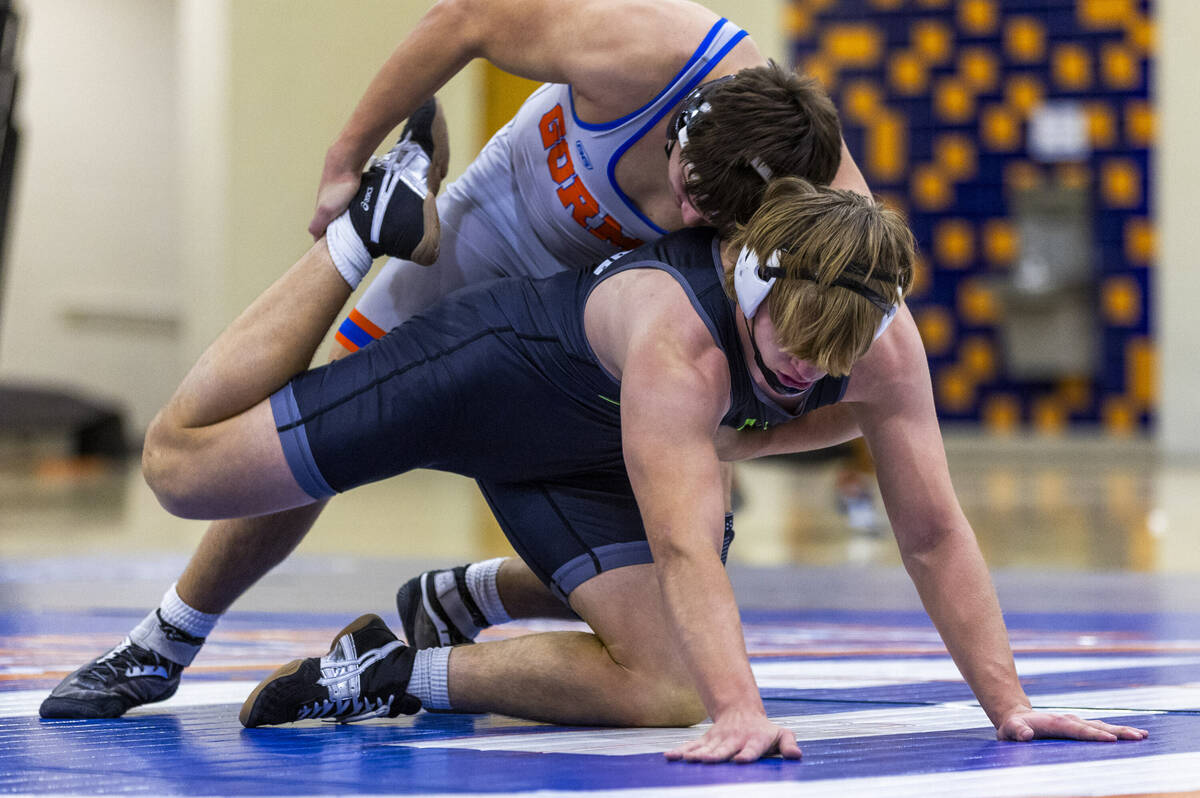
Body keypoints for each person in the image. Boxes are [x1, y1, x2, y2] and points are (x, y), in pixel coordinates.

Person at [138, 138, 1148, 762]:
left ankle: (397, 672)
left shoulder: (877, 337)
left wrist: (1010, 704)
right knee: (184, 473)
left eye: (823, 366)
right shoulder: (681, 340)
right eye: (784, 356)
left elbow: (930, 532)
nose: (800, 378)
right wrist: (744, 712)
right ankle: (355, 240)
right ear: (754, 286)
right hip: (481, 375)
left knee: (666, 689)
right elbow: (686, 550)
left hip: (582, 453)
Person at [41, 0, 867, 719]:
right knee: (318, 433)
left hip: (595, 319)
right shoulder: (652, 49)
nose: (683, 210)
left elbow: (862, 337)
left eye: (713, 215)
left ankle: (460, 598)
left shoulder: (821, 191)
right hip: (503, 222)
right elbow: (463, 18)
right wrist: (343, 163)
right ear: (684, 124)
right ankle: (166, 640)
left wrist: (746, 440)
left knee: (697, 540)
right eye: (684, 182)